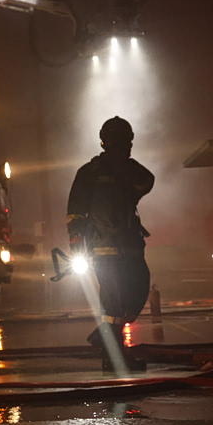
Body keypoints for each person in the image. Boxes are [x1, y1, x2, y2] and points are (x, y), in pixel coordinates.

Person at [66, 116, 154, 371]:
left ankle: (103, 337)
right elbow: (75, 212)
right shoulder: (89, 173)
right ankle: (115, 358)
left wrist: (122, 166)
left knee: (137, 293)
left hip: (131, 246)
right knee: (113, 302)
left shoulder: (129, 170)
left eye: (125, 140)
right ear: (105, 141)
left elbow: (147, 181)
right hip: (103, 248)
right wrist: (76, 242)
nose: (122, 144)